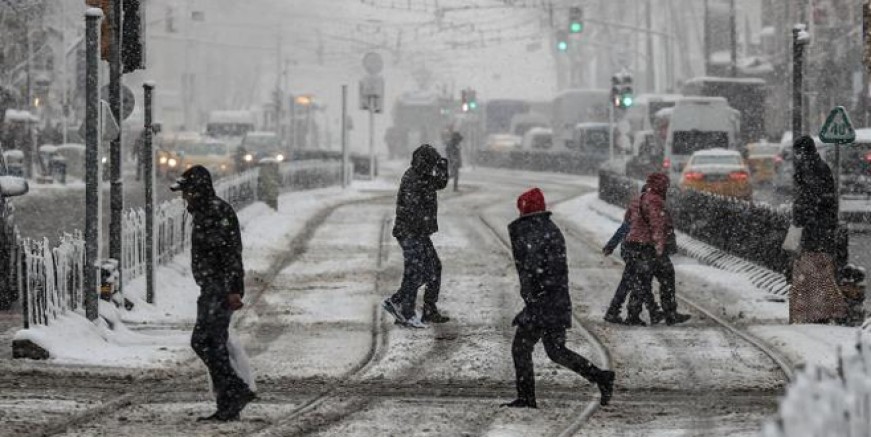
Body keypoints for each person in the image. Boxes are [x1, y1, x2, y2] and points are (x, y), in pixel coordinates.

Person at [502, 188, 615, 408]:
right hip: (553, 301)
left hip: (544, 303)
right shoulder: (547, 229)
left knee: (521, 348)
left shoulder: (536, 232)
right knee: (556, 351)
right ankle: (601, 377)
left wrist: (534, 295)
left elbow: (534, 269)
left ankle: (526, 397)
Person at [171, 165, 257, 421]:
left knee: (206, 341)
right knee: (211, 343)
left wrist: (232, 290)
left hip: (218, 288)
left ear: (198, 190)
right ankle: (230, 398)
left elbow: (230, 254)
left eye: (187, 191)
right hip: (212, 287)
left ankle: (234, 391)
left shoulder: (215, 212)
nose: (184, 197)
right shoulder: (206, 212)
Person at [382, 144, 450, 328]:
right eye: (432, 164)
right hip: (410, 233)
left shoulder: (423, 176)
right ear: (425, 162)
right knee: (416, 271)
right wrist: (422, 225)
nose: (433, 168)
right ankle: (406, 311)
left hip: (418, 233)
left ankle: (427, 308)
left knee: (434, 268)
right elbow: (412, 208)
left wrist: (443, 169)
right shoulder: (413, 178)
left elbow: (440, 183)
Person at [789, 135, 847, 324]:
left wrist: (802, 217)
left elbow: (812, 199)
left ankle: (820, 310)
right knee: (816, 269)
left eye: (798, 151)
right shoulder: (814, 167)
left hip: (816, 228)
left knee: (814, 269)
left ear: (803, 151)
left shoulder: (812, 169)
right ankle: (819, 310)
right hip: (818, 227)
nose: (796, 156)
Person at [622, 173, 691, 326]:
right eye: (666, 185)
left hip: (635, 244)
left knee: (641, 280)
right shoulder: (655, 201)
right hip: (649, 246)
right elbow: (657, 225)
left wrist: (636, 230)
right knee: (667, 277)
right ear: (661, 186)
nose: (667, 188)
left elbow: (627, 218)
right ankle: (670, 313)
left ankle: (633, 314)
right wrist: (659, 247)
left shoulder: (638, 198)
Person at [602, 186, 663, 325]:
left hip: (630, 247)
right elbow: (656, 228)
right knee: (638, 280)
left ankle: (640, 311)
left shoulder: (636, 204)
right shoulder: (649, 207)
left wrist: (611, 245)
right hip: (640, 248)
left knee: (635, 279)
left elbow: (624, 226)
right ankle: (625, 312)